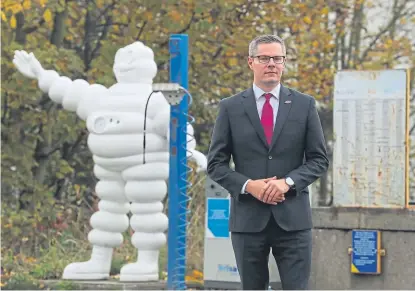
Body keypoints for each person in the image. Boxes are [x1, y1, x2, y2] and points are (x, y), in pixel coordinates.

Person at [206, 34, 329, 290]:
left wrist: (287, 183)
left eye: (277, 58)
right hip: (248, 221)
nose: (271, 63)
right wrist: (249, 185)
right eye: (264, 58)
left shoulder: (304, 105)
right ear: (251, 62)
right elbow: (215, 164)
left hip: (293, 221)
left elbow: (319, 160)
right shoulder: (230, 108)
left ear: (284, 64)